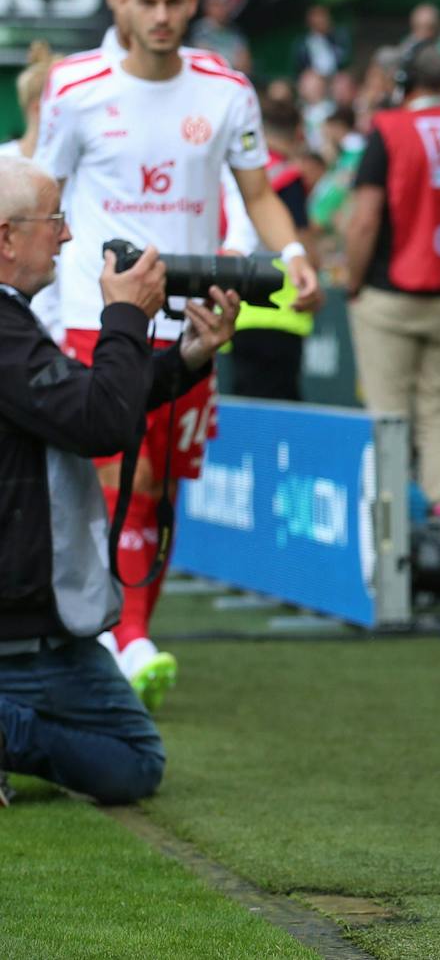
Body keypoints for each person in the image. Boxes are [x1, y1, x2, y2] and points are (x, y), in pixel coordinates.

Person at [35, 0, 319, 712]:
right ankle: (122, 641)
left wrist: (291, 249)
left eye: (174, 1)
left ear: (195, 0)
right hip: (101, 313)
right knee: (123, 478)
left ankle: (129, 638)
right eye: (145, 1)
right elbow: (41, 191)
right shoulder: (75, 87)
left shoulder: (226, 91)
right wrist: (42, 302)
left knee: (162, 491)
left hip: (195, 315)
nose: (161, 16)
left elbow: (257, 192)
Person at [0, 159, 239, 806]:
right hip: (18, 627)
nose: (70, 235)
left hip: (43, 626)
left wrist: (187, 354)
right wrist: (125, 316)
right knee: (130, 762)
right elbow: (99, 420)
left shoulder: (12, 320)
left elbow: (88, 400)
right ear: (6, 238)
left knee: (136, 762)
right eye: (54, 220)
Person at [345, 48, 440, 509]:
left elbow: (365, 220)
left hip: (390, 293)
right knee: (436, 417)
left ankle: (391, 542)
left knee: (389, 420)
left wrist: (352, 282)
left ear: (402, 85)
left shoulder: (389, 129)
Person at [221, 98, 317, 400]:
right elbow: (301, 241)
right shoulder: (284, 177)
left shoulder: (231, 173)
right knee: (278, 415)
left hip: (233, 307)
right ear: (299, 132)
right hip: (280, 308)